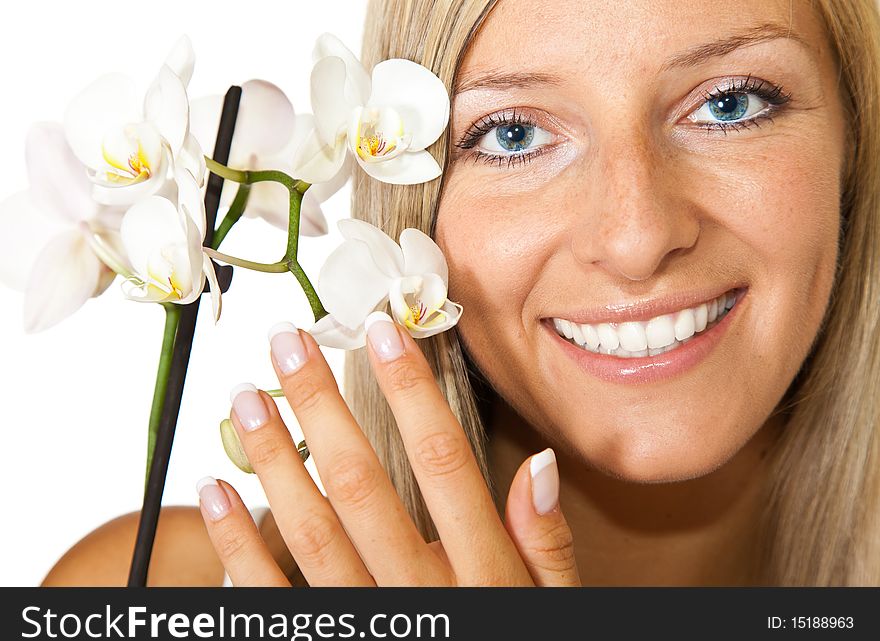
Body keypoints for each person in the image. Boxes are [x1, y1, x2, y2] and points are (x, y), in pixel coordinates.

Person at [43, 0, 880, 587]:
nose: (636, 237)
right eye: (513, 133)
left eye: (730, 105)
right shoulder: (161, 592)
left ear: (855, 137)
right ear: (411, 202)